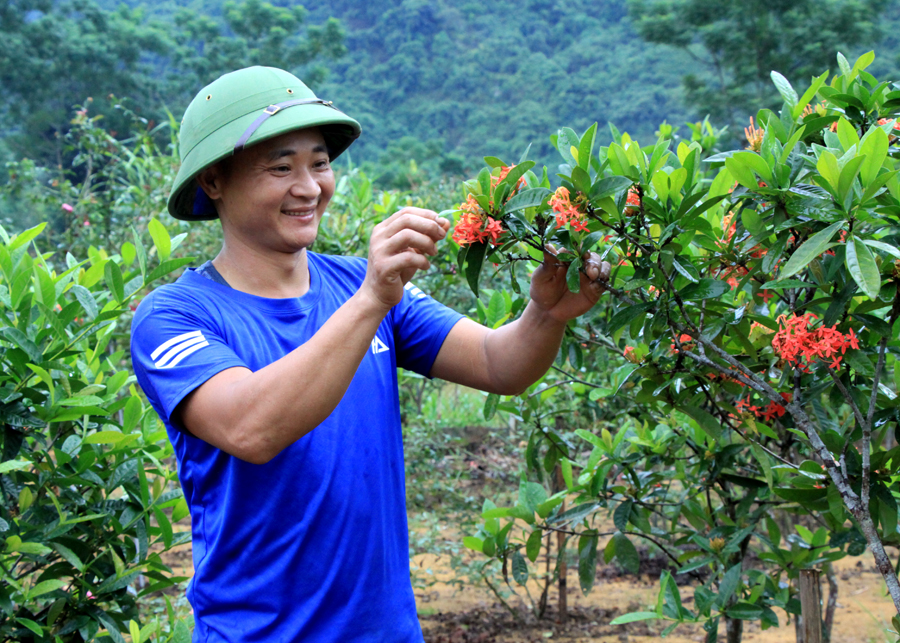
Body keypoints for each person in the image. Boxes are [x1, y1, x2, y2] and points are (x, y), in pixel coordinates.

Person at [130, 66, 611, 642]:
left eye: (319, 163)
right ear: (213, 182)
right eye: (281, 167)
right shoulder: (176, 315)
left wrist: (546, 314)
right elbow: (250, 427)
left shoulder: (360, 287)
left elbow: (496, 363)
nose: (309, 187)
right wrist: (371, 299)